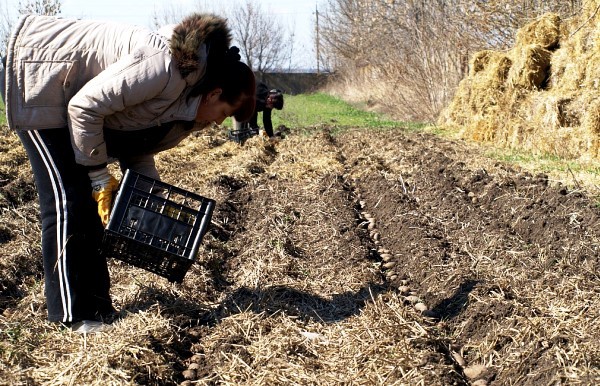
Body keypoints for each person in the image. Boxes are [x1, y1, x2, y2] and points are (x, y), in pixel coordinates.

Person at [2, 13, 256, 332]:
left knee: (90, 208)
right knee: (69, 200)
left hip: (74, 101)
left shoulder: (187, 104)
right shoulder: (164, 67)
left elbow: (137, 143)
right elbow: (84, 108)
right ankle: (75, 315)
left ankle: (97, 307)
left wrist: (152, 201)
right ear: (216, 94)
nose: (220, 122)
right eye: (225, 113)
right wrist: (98, 176)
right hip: (41, 77)